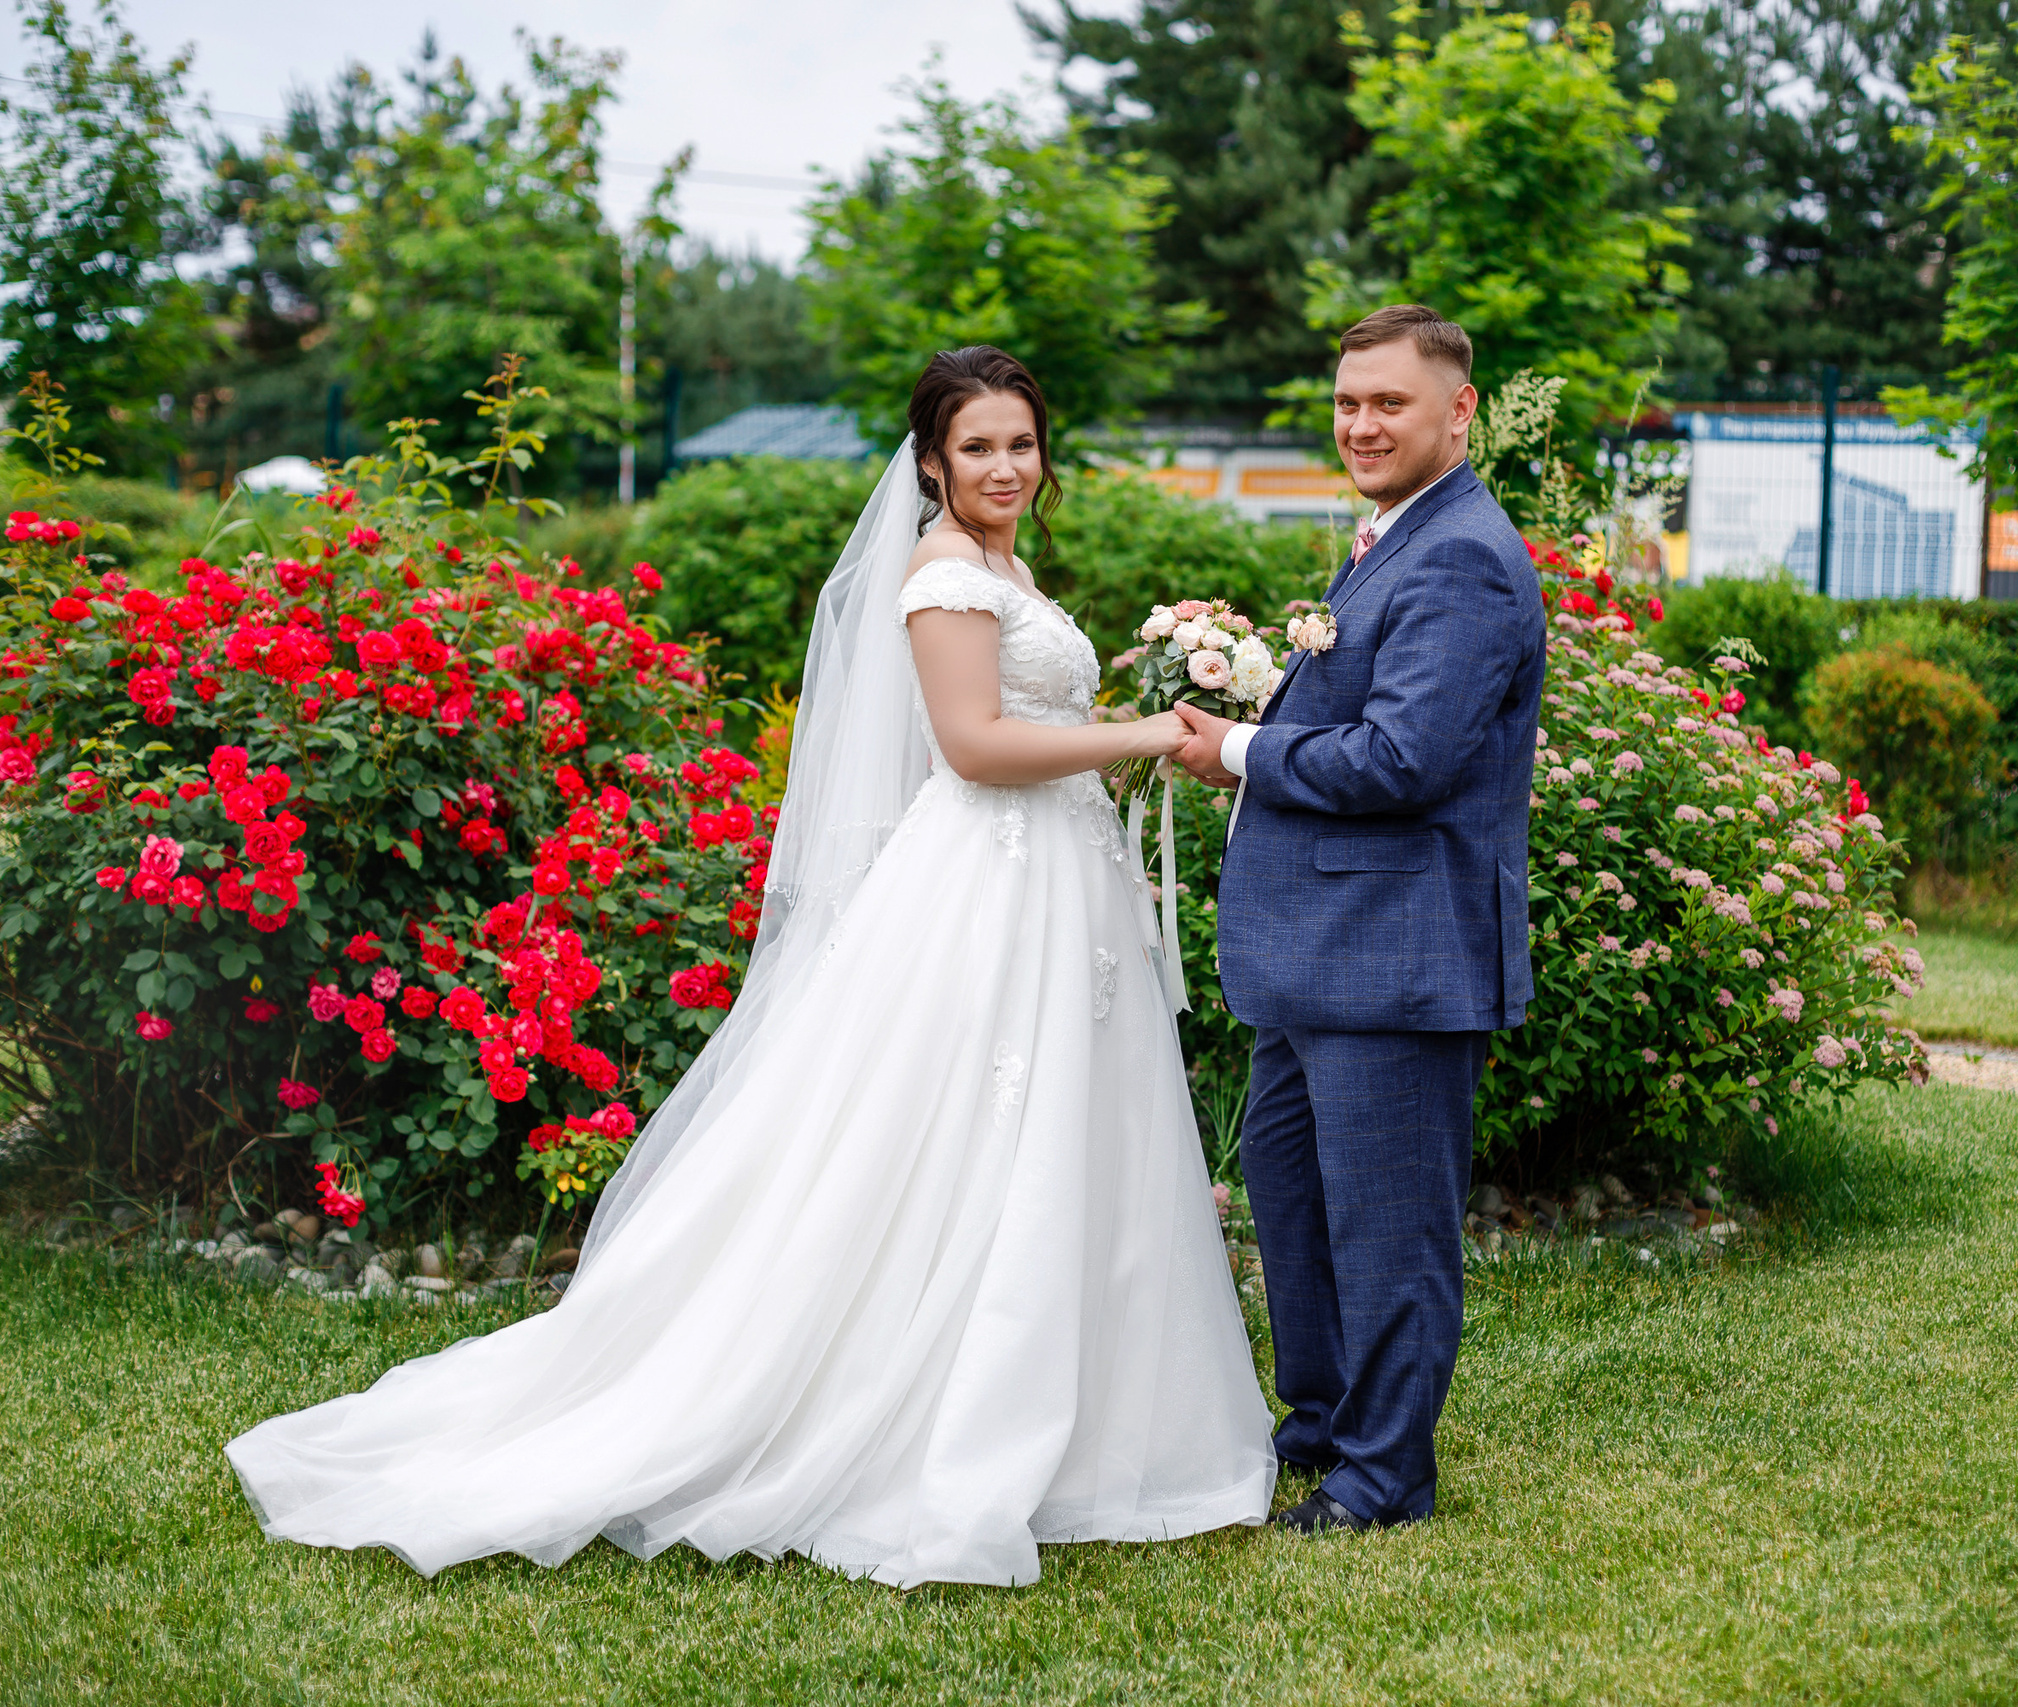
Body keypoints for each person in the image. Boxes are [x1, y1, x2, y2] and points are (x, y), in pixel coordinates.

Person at [227, 347, 1278, 1589]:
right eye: (978, 446)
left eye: (1022, 443)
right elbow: (975, 749)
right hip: (988, 884)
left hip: (1052, 881)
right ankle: (918, 1415)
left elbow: (1034, 733)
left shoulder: (1005, 565)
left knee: (1046, 1138)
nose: (1004, 466)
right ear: (932, 460)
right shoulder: (942, 572)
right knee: (954, 1138)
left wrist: (1127, 739)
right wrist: (1158, 730)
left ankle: (1081, 1421)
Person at [1173, 305, 1546, 1535]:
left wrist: (1237, 743)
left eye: (1389, 401)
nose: (1362, 423)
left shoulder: (1462, 554)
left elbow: (1402, 760)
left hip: (1396, 958)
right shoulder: (1393, 537)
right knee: (1294, 1206)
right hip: (1316, 961)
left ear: (1458, 409)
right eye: (1347, 402)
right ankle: (1322, 1431)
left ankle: (1386, 1479)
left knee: (1387, 1232)